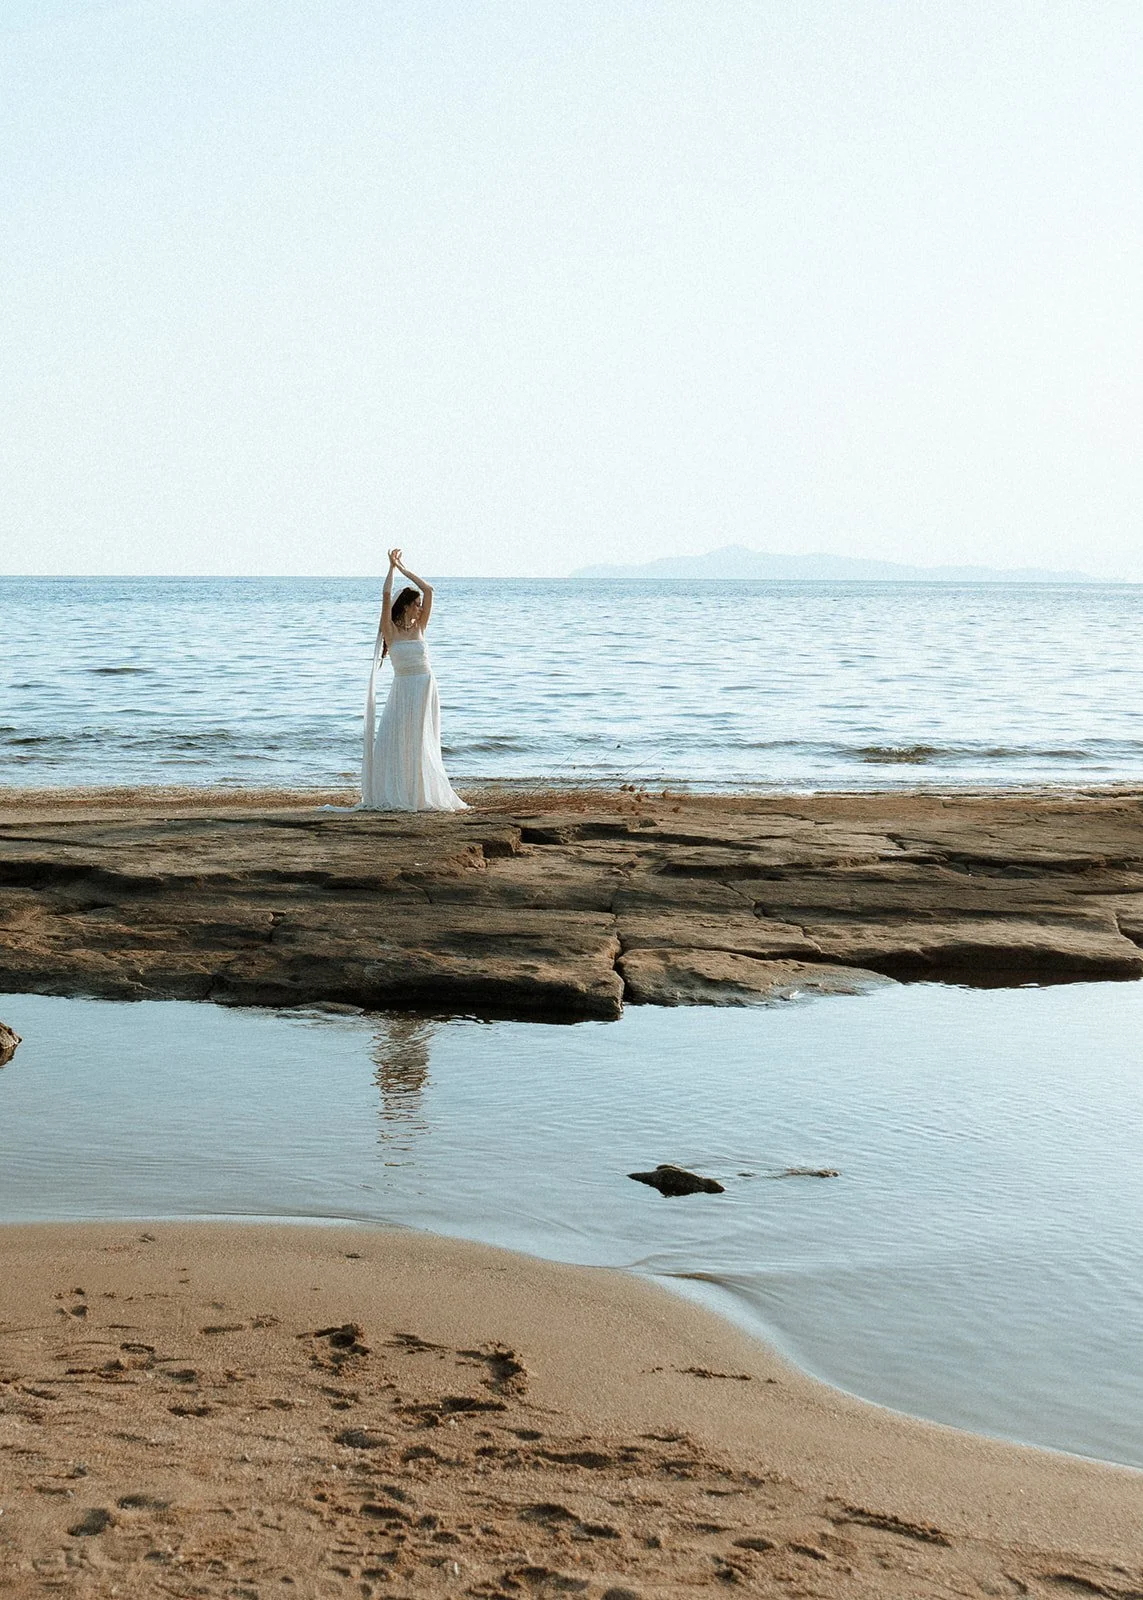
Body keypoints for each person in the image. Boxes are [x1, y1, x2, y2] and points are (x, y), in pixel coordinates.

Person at [359, 548, 467, 812]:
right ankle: (400, 791)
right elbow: (386, 596)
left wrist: (405, 568)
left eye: (420, 605)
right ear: (407, 605)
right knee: (395, 740)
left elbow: (429, 590)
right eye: (416, 604)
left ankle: (421, 792)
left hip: (425, 687)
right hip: (403, 689)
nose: (420, 608)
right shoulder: (391, 631)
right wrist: (391, 569)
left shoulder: (420, 627)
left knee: (421, 741)